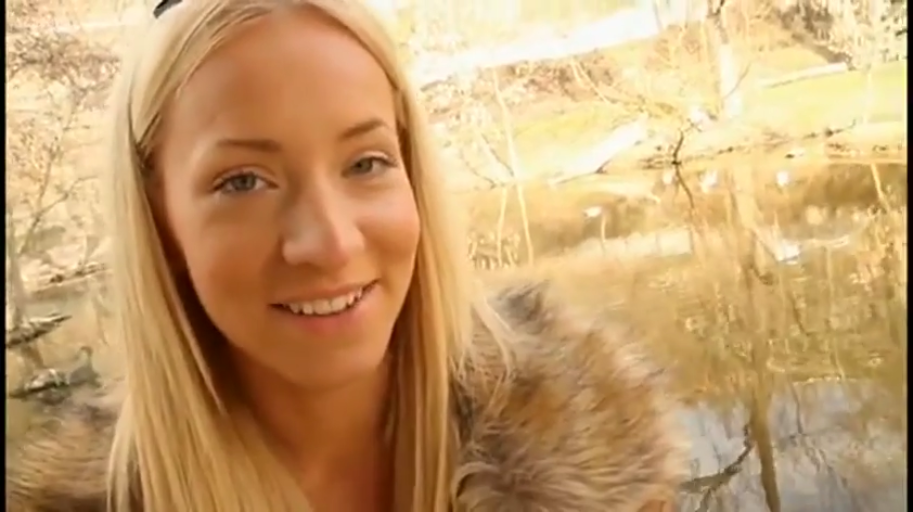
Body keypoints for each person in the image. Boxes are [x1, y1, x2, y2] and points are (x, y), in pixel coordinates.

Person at [5, 0, 687, 510]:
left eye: (366, 162)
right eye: (242, 182)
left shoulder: (597, 458)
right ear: (160, 224)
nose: (331, 242)